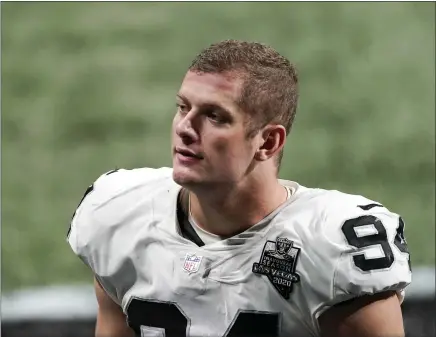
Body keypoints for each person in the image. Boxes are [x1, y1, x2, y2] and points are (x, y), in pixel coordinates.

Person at [67, 40, 412, 337]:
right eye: (183, 107)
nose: (185, 128)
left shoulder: (334, 247)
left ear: (268, 142)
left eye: (215, 116)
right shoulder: (121, 213)